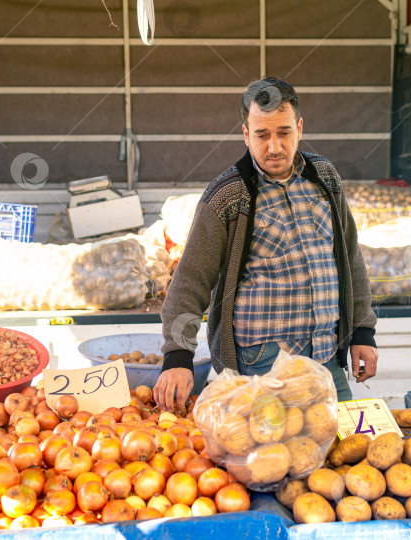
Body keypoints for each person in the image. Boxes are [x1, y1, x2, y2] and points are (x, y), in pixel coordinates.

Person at [154, 77, 378, 411]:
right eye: (262, 135)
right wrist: (178, 355)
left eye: (283, 132)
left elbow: (349, 256)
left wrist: (362, 331)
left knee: (343, 448)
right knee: (273, 457)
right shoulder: (228, 196)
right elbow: (190, 280)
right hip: (262, 362)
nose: (274, 146)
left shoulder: (325, 178)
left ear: (299, 128)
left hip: (326, 356)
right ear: (246, 135)